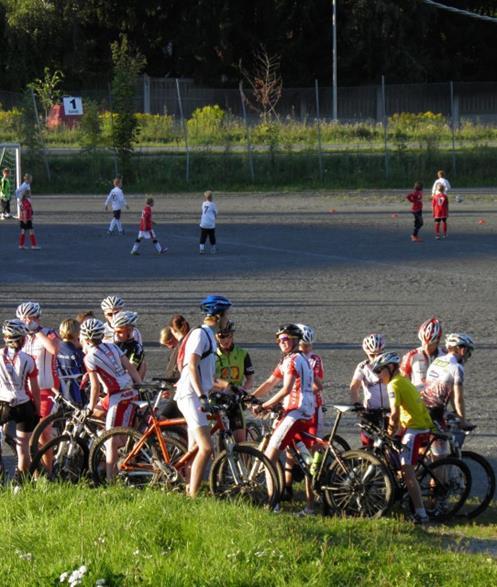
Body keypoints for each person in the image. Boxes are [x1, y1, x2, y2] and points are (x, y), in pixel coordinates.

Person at [251, 324, 315, 515]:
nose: (281, 342)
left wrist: (264, 406)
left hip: (295, 412)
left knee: (268, 457)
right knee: (307, 463)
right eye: (278, 339)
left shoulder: (292, 360)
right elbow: (271, 382)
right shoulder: (295, 358)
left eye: (285, 339)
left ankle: (273, 505)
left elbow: (286, 389)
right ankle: (311, 507)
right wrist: (251, 397)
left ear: (295, 340)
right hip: (304, 411)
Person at [174, 295, 231, 498]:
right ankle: (193, 497)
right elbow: (191, 365)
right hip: (190, 395)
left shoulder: (210, 337)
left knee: (196, 446)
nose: (228, 319)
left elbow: (209, 375)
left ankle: (189, 487)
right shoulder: (200, 335)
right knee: (206, 448)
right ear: (218, 315)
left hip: (199, 393)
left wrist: (229, 388)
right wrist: (201, 396)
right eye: (226, 314)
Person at [371, 352, 434, 524]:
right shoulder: (403, 380)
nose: (378, 376)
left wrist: (389, 433)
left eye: (379, 371)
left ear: (390, 368)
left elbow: (395, 415)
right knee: (401, 463)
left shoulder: (393, 385)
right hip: (419, 425)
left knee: (407, 472)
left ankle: (421, 514)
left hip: (415, 429)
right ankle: (408, 500)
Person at [81, 319, 142, 479]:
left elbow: (95, 387)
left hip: (118, 396)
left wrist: (89, 407)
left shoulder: (89, 357)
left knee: (110, 440)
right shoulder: (112, 346)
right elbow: (129, 367)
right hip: (128, 392)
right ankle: (124, 452)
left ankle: (110, 479)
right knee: (112, 429)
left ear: (86, 339)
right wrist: (140, 385)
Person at [16, 302, 60, 455]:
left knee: (43, 434)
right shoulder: (20, 337)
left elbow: (54, 349)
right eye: (23, 319)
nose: (26, 322)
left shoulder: (49, 332)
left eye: (30, 318)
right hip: (25, 391)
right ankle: (32, 472)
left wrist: (37, 330)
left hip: (46, 390)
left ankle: (48, 473)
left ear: (37, 318)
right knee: (24, 435)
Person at [0, 320, 40, 481]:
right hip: (24, 404)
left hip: (3, 403)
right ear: (22, 339)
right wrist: (37, 409)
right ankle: (20, 483)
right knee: (23, 447)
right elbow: (35, 389)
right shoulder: (28, 359)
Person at [422, 333, 474, 432]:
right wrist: (463, 421)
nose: (469, 355)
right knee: (443, 444)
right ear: (461, 349)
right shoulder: (457, 367)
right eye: (468, 351)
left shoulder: (437, 360)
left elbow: (451, 396)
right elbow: (458, 399)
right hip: (435, 411)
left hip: (422, 405)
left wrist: (457, 413)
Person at [215, 320, 255, 442]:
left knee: (240, 439)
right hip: (217, 397)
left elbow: (250, 379)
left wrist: (243, 389)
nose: (225, 340)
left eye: (229, 336)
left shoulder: (243, 354)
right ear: (216, 336)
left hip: (235, 398)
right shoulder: (211, 355)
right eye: (222, 337)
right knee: (220, 437)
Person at [350, 333, 390, 446]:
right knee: (368, 445)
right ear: (367, 353)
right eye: (372, 355)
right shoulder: (362, 366)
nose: (376, 358)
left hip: (389, 411)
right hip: (371, 411)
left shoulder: (390, 365)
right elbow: (354, 387)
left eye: (379, 354)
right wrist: (357, 404)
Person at [295, 324, 325, 439]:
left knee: (314, 440)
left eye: (309, 345)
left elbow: (317, 385)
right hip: (296, 404)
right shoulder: (290, 358)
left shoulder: (314, 359)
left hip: (313, 404)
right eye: (303, 345)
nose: (307, 349)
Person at [401, 317, 443, 391]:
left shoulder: (445, 356)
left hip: (437, 400)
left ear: (438, 342)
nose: (426, 347)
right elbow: (402, 380)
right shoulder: (411, 356)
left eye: (430, 344)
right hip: (416, 399)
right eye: (424, 343)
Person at [57, 319, 86, 405]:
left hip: (58, 393)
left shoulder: (55, 348)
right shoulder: (78, 353)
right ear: (78, 333)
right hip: (75, 395)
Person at [111, 311, 147, 379]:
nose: (116, 335)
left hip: (126, 384)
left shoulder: (137, 348)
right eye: (115, 332)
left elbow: (131, 369)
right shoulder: (115, 345)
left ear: (129, 330)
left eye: (119, 332)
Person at [199, 190, 217, 255]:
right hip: (210, 224)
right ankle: (213, 249)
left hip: (203, 223)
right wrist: (214, 218)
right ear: (212, 197)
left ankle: (201, 249)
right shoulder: (213, 204)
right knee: (212, 236)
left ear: (205, 197)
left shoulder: (203, 203)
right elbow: (215, 213)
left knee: (203, 236)